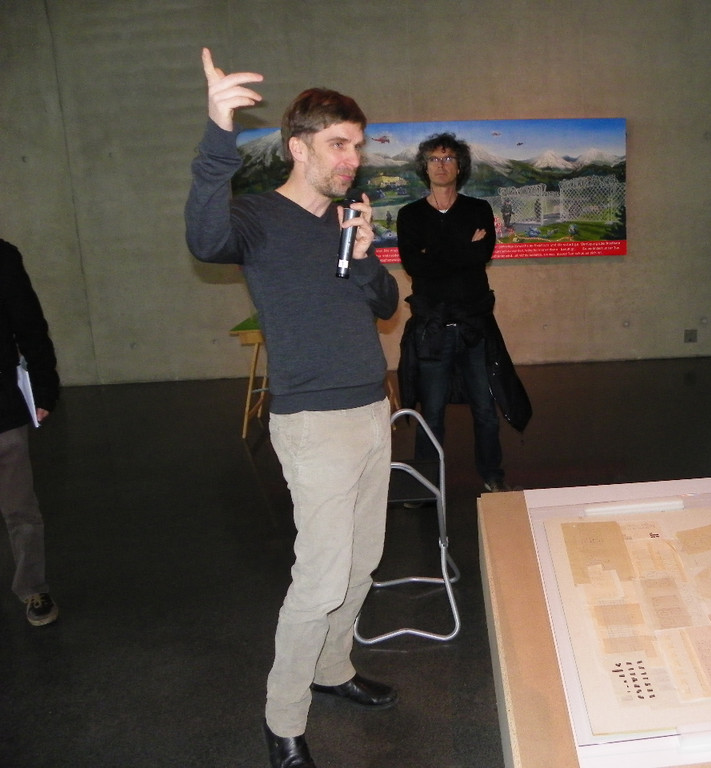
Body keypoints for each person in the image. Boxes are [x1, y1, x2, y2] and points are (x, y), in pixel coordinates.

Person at [185, 49, 400, 768]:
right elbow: (203, 238)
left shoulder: (344, 221)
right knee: (321, 577)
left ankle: (333, 668)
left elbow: (386, 305)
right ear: (298, 146)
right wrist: (218, 132)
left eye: (357, 146)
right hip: (313, 425)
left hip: (371, 410)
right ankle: (283, 717)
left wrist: (366, 255)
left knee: (363, 563)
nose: (352, 159)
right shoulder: (254, 217)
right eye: (338, 144)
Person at [396, 133, 530, 494]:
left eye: (448, 159)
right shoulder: (410, 215)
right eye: (434, 159)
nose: (441, 165)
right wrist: (461, 249)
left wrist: (435, 253)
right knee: (431, 412)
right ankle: (424, 484)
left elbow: (480, 256)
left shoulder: (478, 210)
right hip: (433, 328)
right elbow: (414, 265)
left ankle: (492, 474)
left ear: (460, 166)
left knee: (485, 408)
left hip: (474, 325)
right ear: (424, 167)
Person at [0, 239, 60, 627]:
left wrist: (43, 385)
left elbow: (29, 324)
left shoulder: (2, 257)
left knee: (19, 506)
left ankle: (33, 587)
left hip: (2, 404)